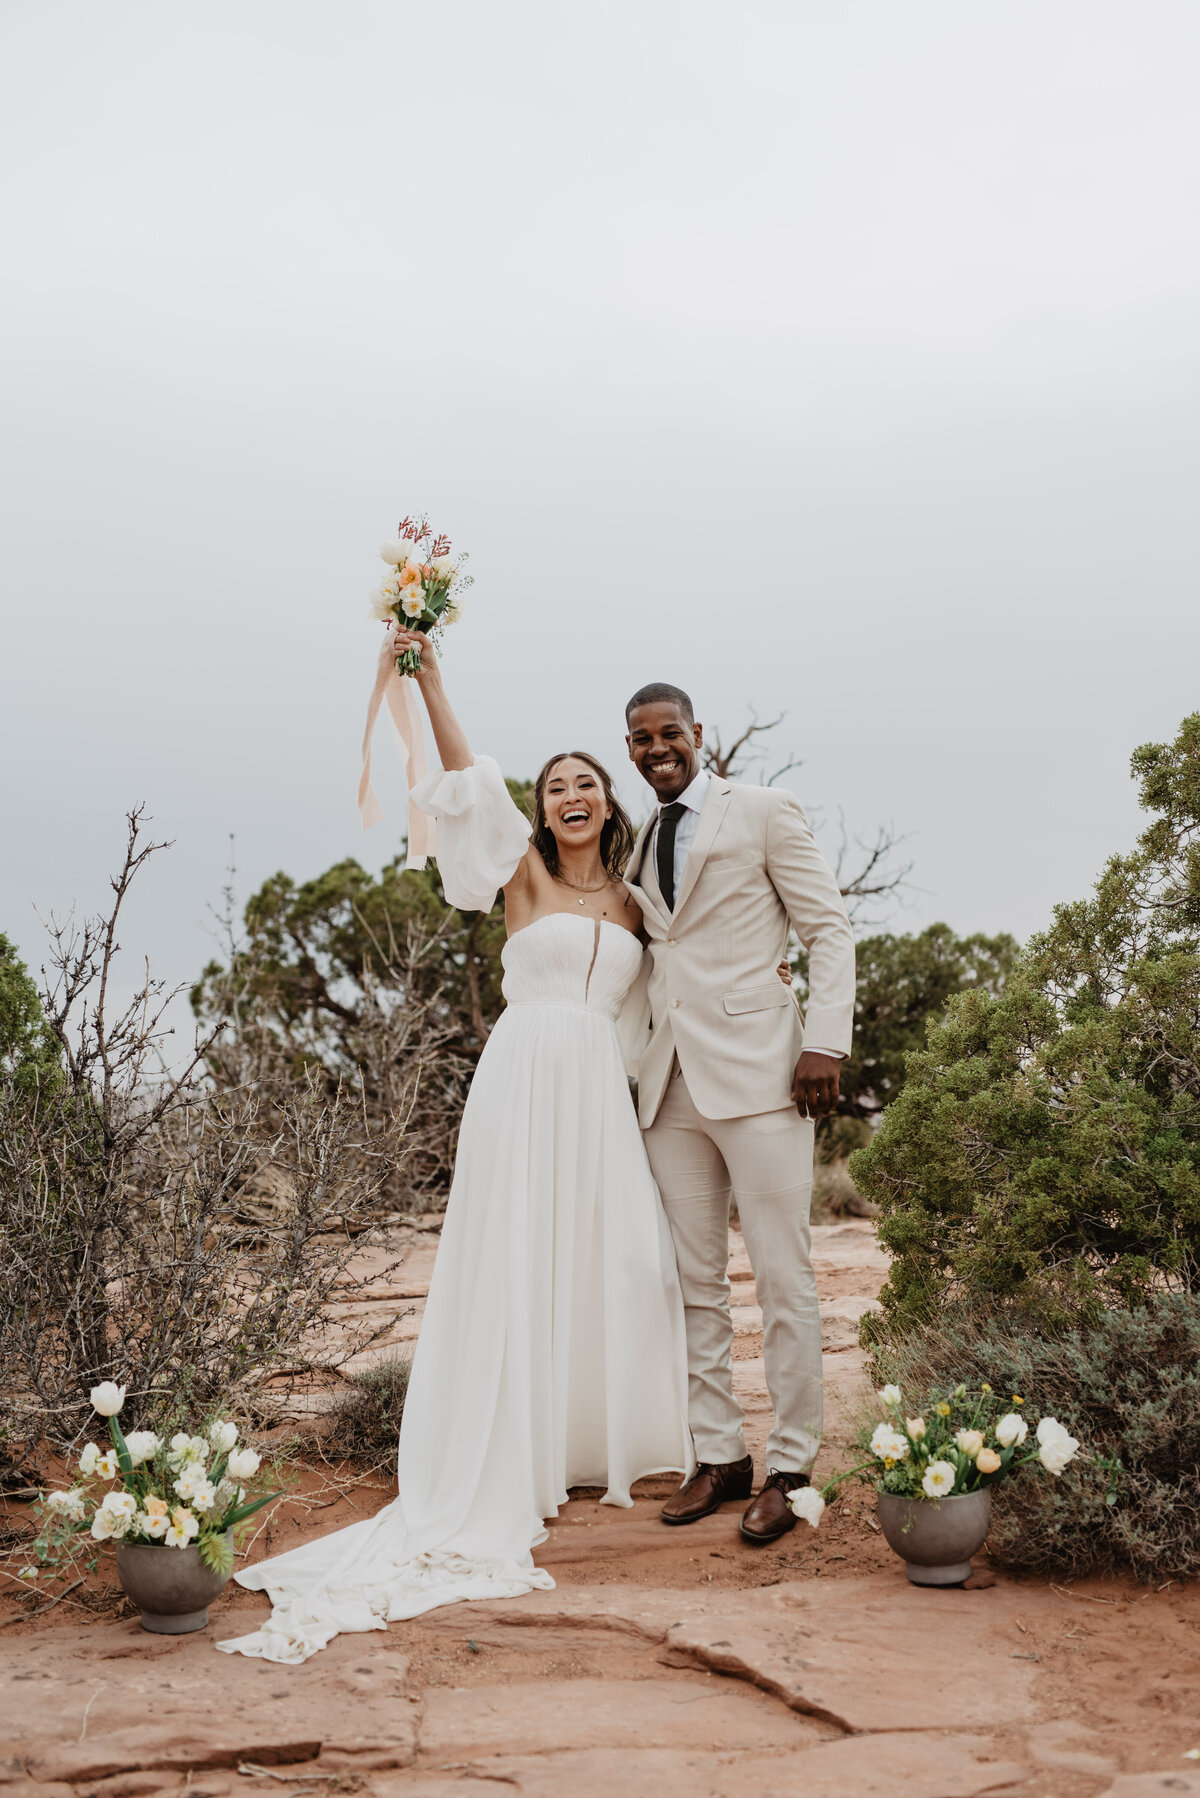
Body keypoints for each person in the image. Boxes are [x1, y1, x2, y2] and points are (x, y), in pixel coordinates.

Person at [218, 630, 693, 1664]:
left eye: (586, 784)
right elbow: (466, 780)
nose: (572, 796)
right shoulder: (520, 876)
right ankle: (501, 1458)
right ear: (545, 807)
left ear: (610, 804)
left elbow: (677, 988)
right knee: (520, 1257)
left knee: (623, 1261)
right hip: (526, 1079)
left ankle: (593, 1444)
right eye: (556, 785)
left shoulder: (635, 902)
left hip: (601, 1099)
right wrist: (429, 681)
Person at [623, 681, 856, 1545]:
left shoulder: (761, 810)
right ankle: (719, 1457)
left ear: (697, 734)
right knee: (693, 1286)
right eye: (640, 739)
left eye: (669, 732)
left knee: (785, 1281)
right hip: (669, 1086)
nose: (656, 749)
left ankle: (791, 1469)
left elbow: (827, 929)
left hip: (766, 1077)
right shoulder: (639, 838)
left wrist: (823, 1042)